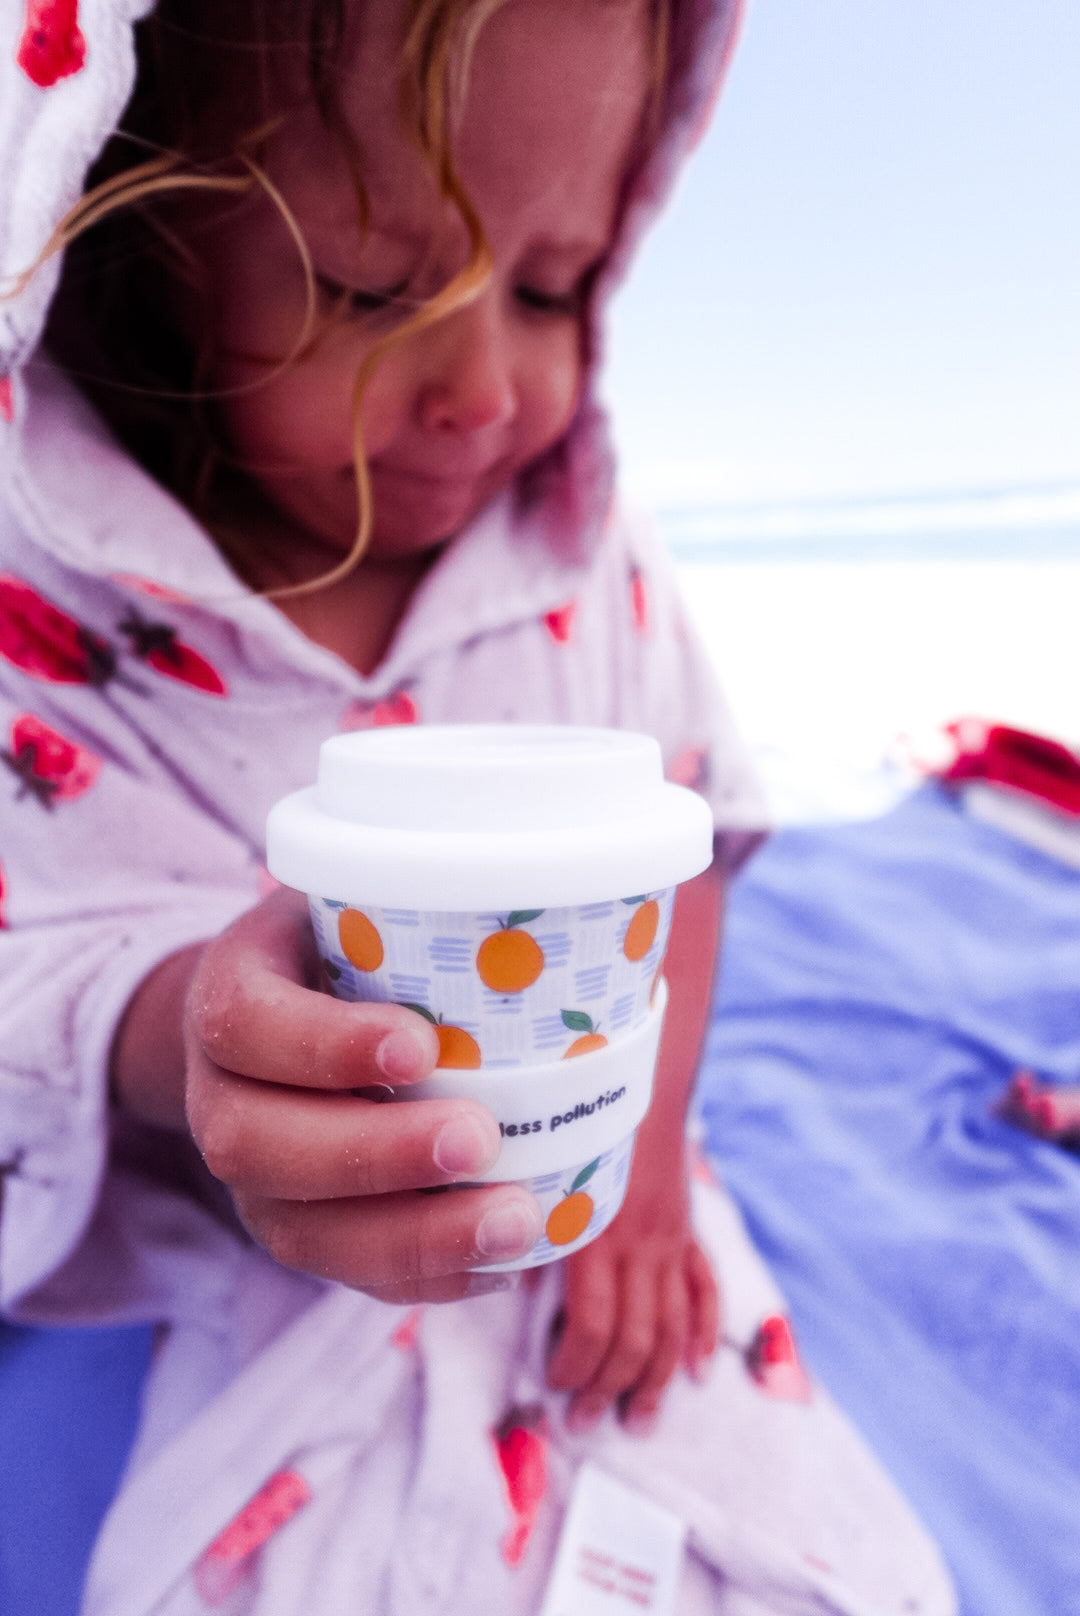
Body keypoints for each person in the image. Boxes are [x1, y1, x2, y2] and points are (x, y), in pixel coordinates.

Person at [0, 1, 957, 1610]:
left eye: (553, 287)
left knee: (791, 1534)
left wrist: (655, 1171)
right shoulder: (59, 611)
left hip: (606, 1186)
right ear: (137, 233)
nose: (489, 391)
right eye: (374, 289)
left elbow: (691, 843)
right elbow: (50, 947)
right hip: (293, 1281)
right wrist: (200, 1043)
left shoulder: (583, 554)